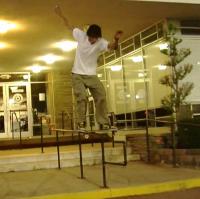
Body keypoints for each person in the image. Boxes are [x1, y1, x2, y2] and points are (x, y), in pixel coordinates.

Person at [55, 5, 123, 131]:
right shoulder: (81, 36)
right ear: (88, 35)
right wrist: (60, 14)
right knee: (82, 97)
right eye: (91, 38)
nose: (92, 41)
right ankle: (81, 122)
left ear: (98, 37)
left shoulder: (101, 42)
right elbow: (68, 25)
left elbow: (112, 47)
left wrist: (116, 39)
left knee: (101, 95)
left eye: (94, 38)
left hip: (91, 75)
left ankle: (103, 122)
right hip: (77, 75)